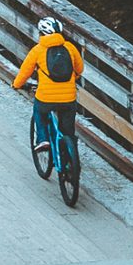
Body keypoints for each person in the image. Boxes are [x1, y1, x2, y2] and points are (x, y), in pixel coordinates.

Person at [12, 15, 83, 158]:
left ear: (41, 33)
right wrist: (72, 78)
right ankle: (70, 158)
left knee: (39, 110)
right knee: (68, 131)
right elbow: (79, 69)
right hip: (69, 98)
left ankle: (43, 139)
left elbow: (25, 72)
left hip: (46, 98)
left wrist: (16, 85)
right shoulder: (70, 48)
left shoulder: (37, 50)